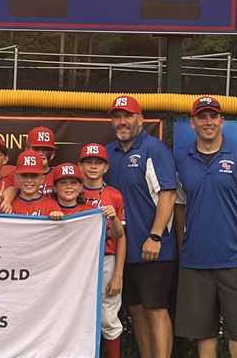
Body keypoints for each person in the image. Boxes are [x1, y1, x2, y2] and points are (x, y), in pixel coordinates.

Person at [173, 96, 237, 358]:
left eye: (213, 117)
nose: (208, 122)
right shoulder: (181, 160)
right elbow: (179, 206)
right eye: (202, 117)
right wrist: (184, 251)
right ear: (192, 122)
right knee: (203, 333)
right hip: (196, 262)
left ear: (222, 122)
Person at [103, 95, 178, 358]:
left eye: (127, 116)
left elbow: (169, 195)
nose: (122, 122)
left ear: (140, 119)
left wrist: (155, 237)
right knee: (135, 310)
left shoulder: (155, 150)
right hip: (123, 250)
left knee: (155, 310)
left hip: (153, 249)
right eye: (117, 117)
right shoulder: (108, 152)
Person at [79, 143, 128, 358]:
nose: (93, 166)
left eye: (98, 163)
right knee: (78, 315)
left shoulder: (114, 195)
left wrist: (118, 274)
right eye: (88, 162)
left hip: (106, 258)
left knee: (108, 317)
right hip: (77, 262)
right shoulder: (70, 189)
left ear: (106, 168)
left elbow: (121, 236)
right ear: (80, 166)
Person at [0, 126, 59, 209]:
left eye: (46, 149)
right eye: (36, 149)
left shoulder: (58, 173)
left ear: (52, 154)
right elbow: (10, 190)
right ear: (26, 150)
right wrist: (7, 199)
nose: (41, 153)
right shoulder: (13, 175)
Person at [1, 152, 61, 216]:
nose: (29, 180)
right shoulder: (8, 204)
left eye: (34, 176)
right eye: (24, 175)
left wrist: (57, 216)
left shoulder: (51, 206)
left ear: (42, 179)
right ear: (16, 178)